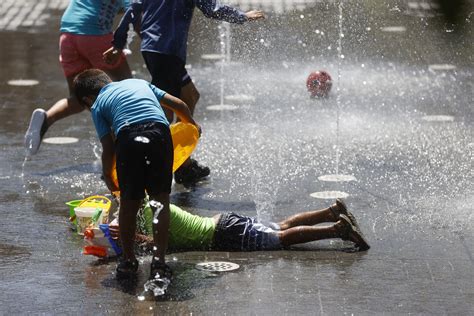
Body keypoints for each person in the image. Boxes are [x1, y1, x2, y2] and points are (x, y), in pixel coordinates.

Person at [103, 0, 265, 185]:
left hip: (153, 48)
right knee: (163, 112)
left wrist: (118, 43)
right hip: (168, 51)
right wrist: (241, 16)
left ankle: (182, 163)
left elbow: (133, 8)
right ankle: (136, 161)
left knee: (189, 96)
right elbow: (212, 9)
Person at [72, 69, 200, 279]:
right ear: (108, 80)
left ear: (87, 99)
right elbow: (180, 105)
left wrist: (108, 176)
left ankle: (128, 261)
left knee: (129, 204)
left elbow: (108, 147)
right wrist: (192, 126)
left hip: (129, 138)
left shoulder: (97, 105)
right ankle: (159, 262)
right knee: (160, 202)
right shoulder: (139, 83)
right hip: (160, 134)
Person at [24, 0, 133, 155]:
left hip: (68, 34)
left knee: (77, 98)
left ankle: (45, 119)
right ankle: (123, 144)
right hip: (95, 34)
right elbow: (134, 10)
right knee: (129, 87)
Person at [110, 199, 370, 253]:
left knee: (280, 239)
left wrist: (131, 236)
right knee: (279, 226)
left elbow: (160, 244)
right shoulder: (150, 201)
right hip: (225, 222)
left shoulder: (148, 213)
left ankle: (337, 229)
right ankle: (331, 212)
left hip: (223, 234)